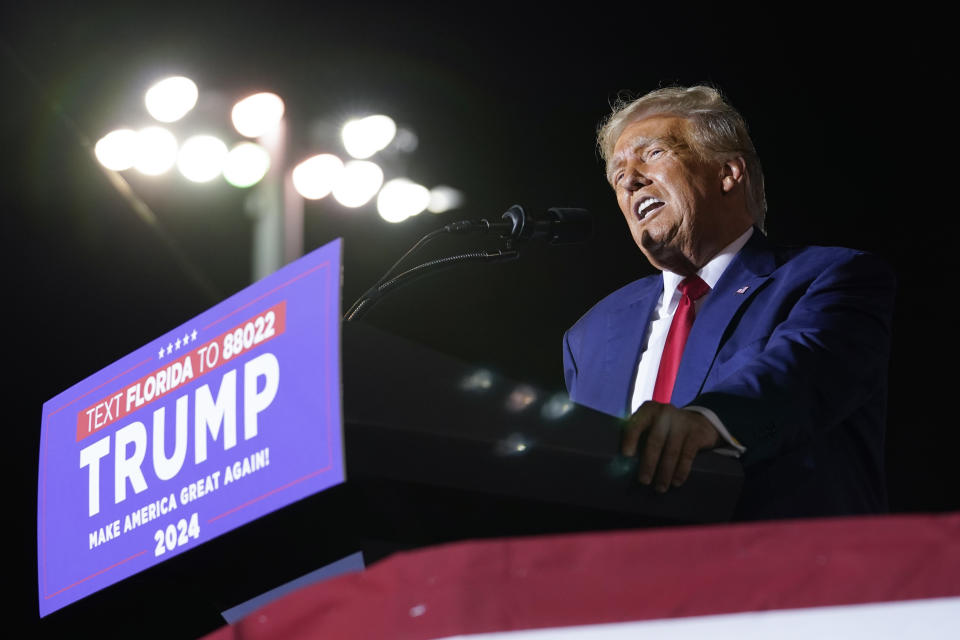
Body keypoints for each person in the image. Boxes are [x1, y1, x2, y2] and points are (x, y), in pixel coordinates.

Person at [563, 86, 894, 520]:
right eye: (617, 173)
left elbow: (801, 372)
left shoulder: (829, 277)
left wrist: (708, 419)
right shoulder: (588, 335)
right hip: (620, 577)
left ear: (728, 173)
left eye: (653, 153)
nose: (629, 179)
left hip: (784, 571)